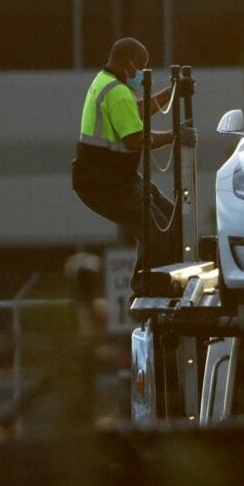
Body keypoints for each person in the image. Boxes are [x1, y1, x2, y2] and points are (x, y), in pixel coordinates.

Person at [72, 37, 176, 295]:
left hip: (114, 179)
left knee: (168, 214)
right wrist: (175, 136)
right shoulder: (117, 92)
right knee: (156, 232)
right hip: (104, 185)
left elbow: (134, 111)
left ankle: (152, 282)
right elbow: (134, 140)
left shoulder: (106, 83)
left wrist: (168, 95)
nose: (142, 74)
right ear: (128, 64)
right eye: (141, 67)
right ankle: (145, 289)